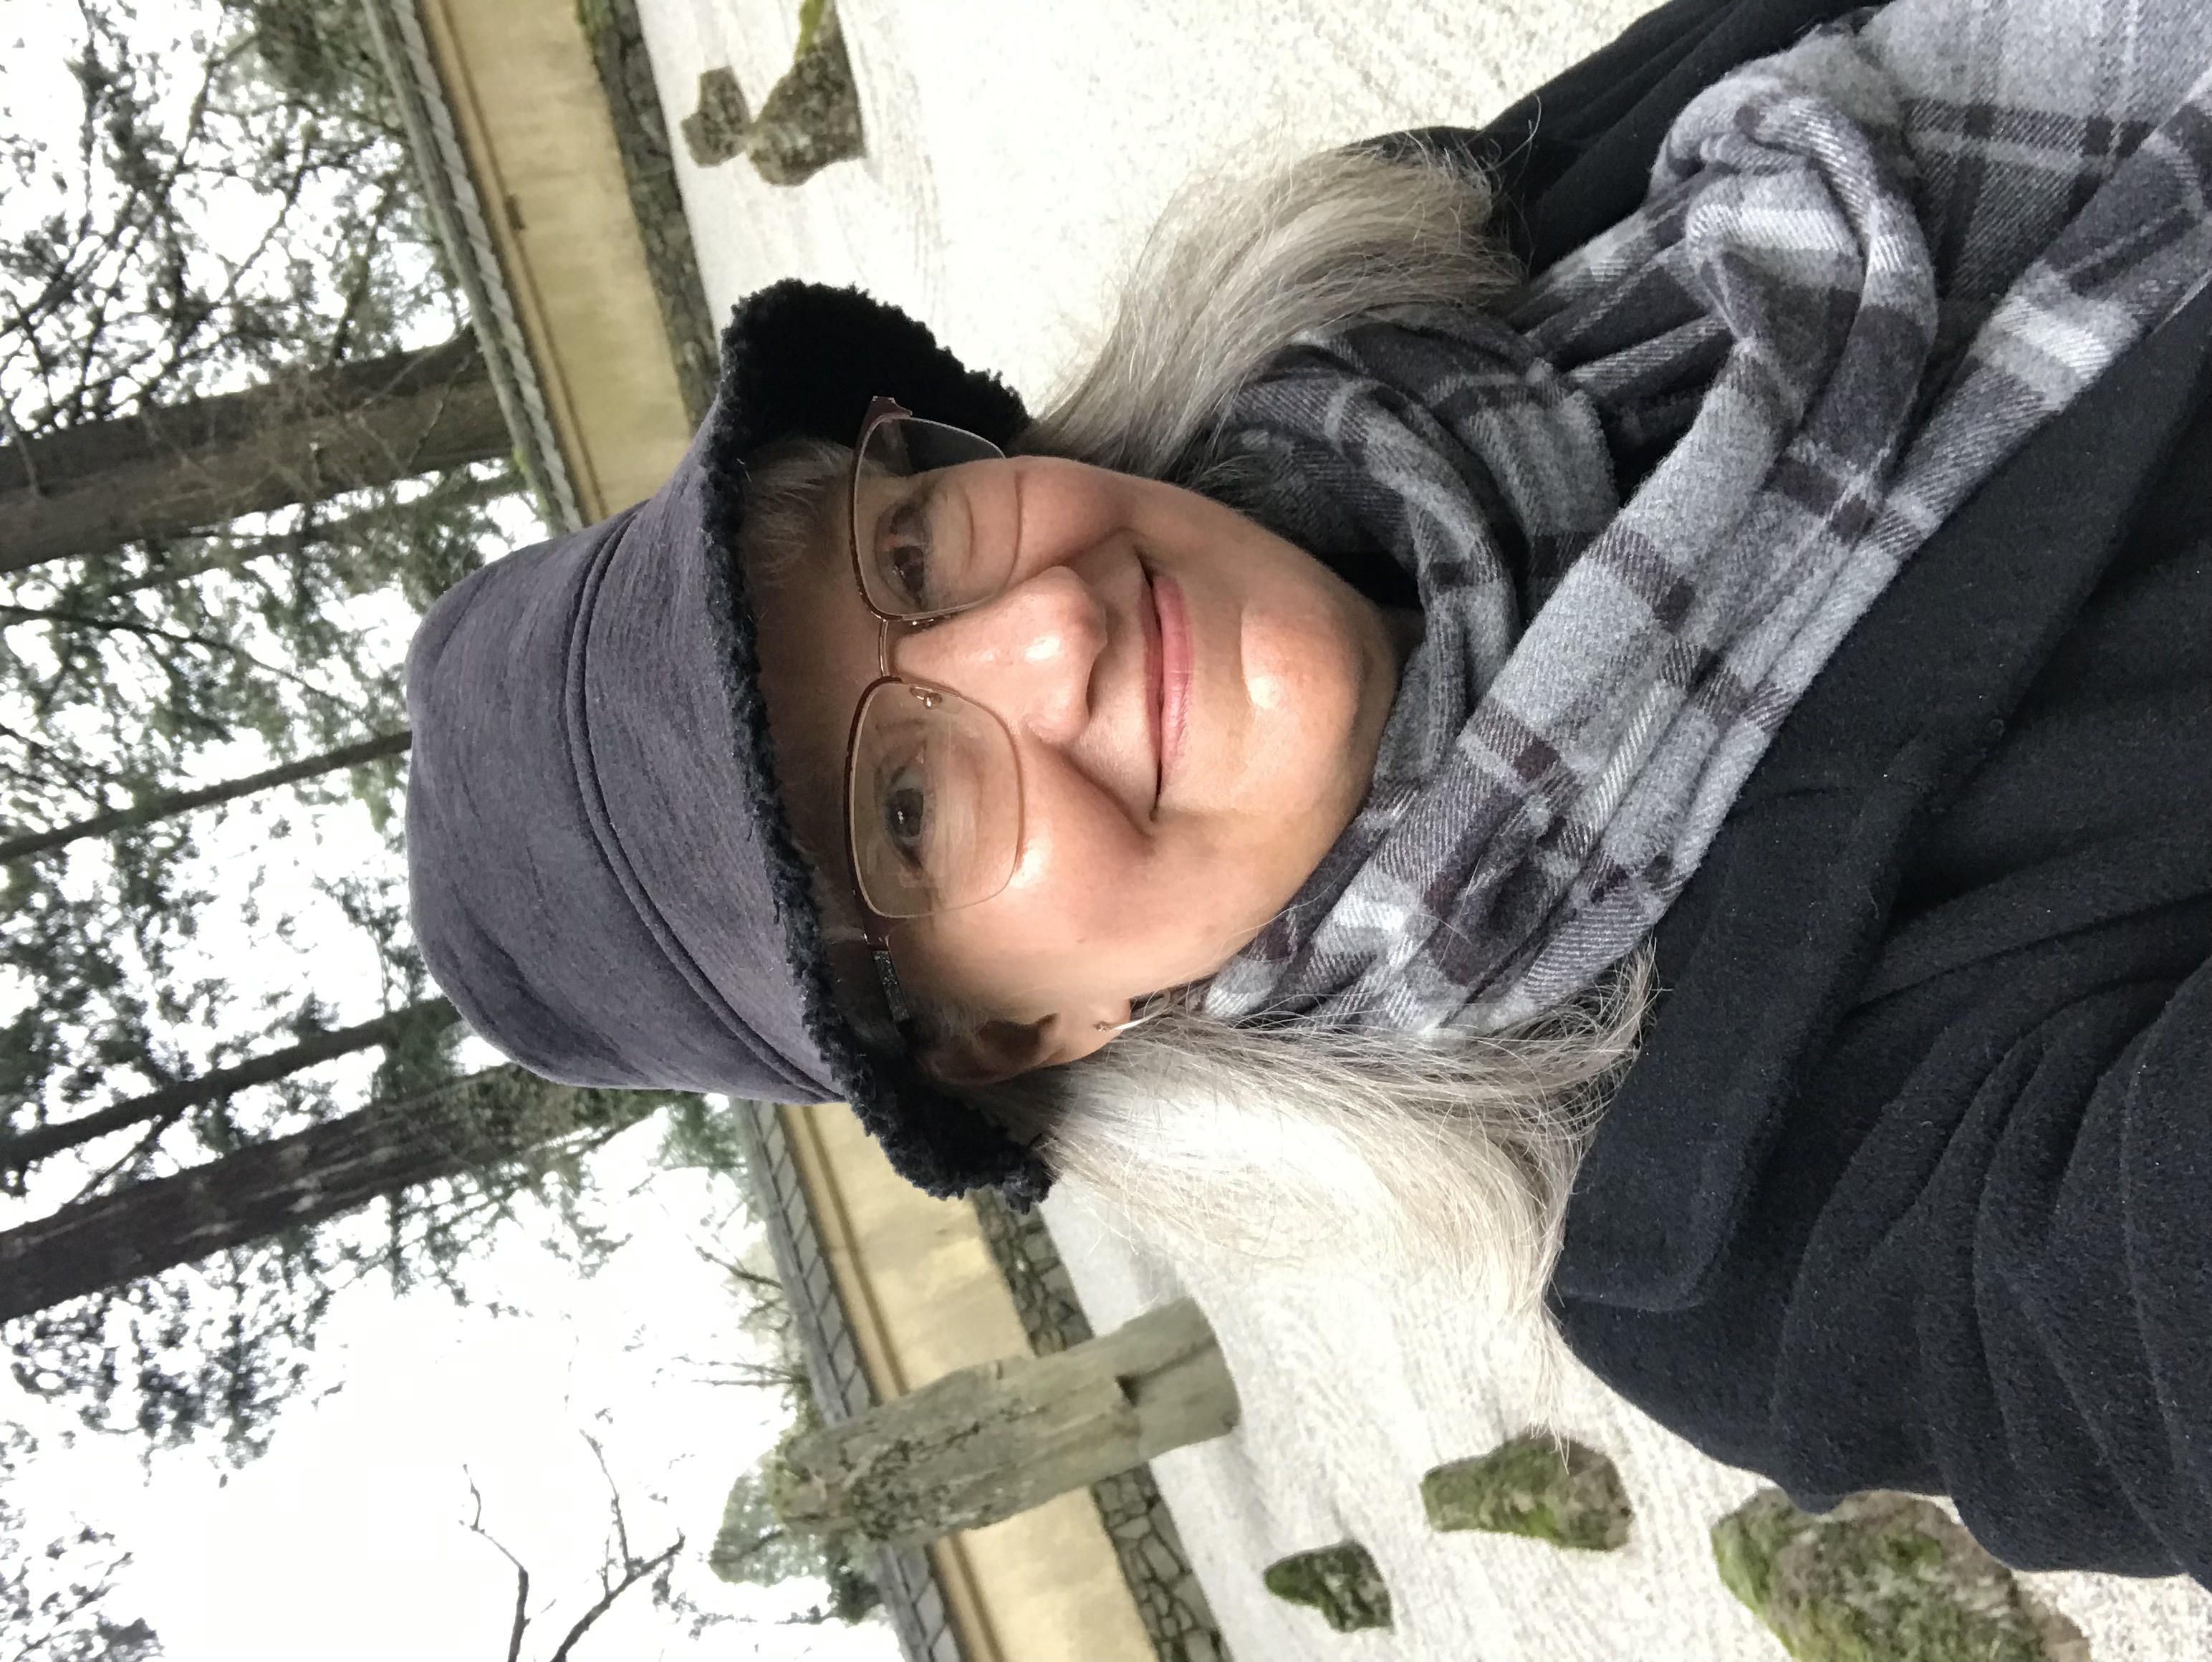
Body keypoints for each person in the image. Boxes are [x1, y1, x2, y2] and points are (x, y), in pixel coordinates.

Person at [404, 0, 2212, 1587]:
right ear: (1011, 1028)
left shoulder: (1480, 258)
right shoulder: (1774, 1244)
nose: (1045, 625)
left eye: (913, 544)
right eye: (903, 811)